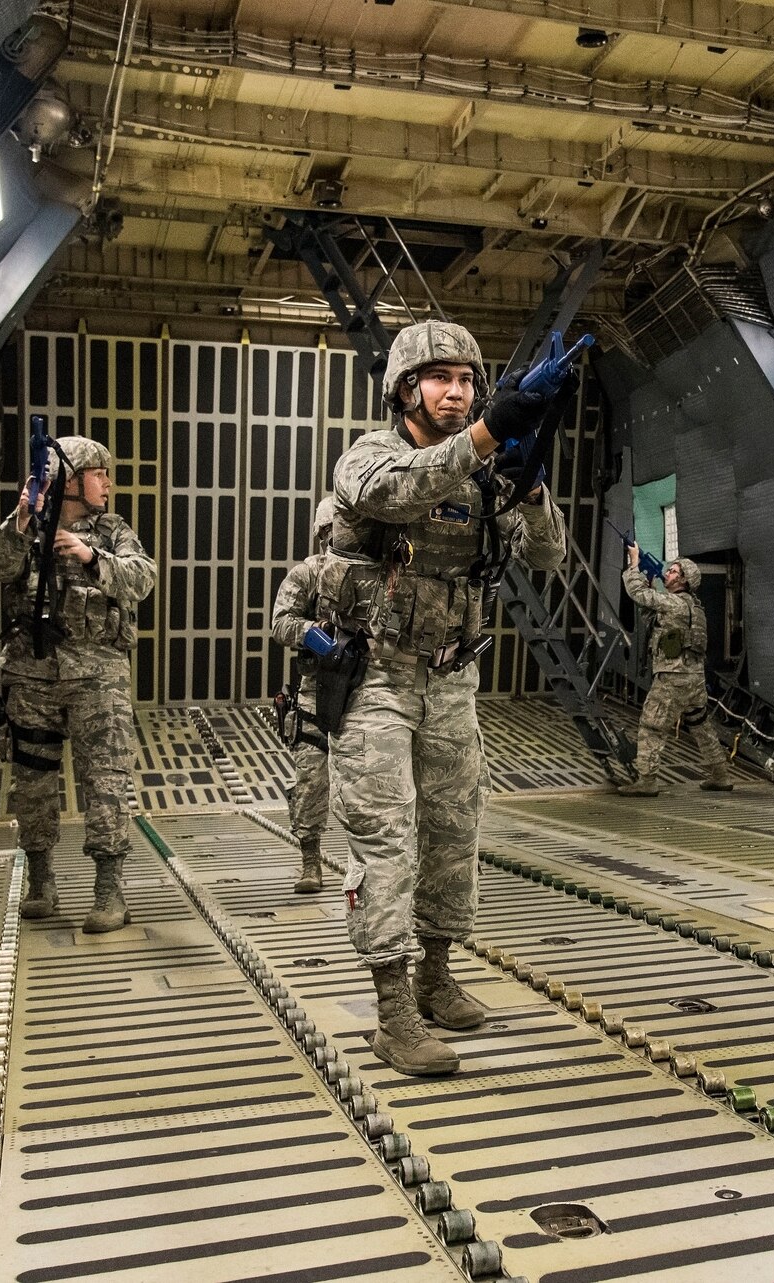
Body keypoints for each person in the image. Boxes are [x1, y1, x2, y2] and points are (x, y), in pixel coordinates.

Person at [320, 319, 568, 1075]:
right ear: (406, 389)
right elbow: (400, 492)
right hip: (378, 680)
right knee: (387, 839)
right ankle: (393, 1012)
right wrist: (490, 434)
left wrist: (527, 491)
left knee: (455, 831)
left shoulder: (487, 467)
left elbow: (549, 557)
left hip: (452, 679)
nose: (457, 392)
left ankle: (434, 973)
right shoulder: (372, 455)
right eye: (441, 378)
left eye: (468, 380)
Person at [0, 435, 156, 933]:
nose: (108, 483)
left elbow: (142, 579)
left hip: (98, 680)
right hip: (31, 678)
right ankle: (41, 881)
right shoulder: (28, 527)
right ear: (72, 480)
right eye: (99, 473)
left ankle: (108, 890)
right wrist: (19, 522)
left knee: (106, 781)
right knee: (32, 784)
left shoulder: (113, 531)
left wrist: (88, 555)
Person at [617, 550, 734, 797]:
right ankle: (720, 775)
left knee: (651, 725)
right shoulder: (695, 609)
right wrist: (649, 586)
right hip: (695, 679)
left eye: (673, 572)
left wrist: (634, 566)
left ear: (683, 581)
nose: (667, 573)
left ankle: (647, 780)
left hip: (673, 678)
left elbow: (637, 594)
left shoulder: (673, 603)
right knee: (701, 726)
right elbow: (653, 619)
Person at [270, 498, 338, 895]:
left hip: (369, 692)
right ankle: (310, 860)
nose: (335, 538)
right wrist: (319, 634)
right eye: (330, 531)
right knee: (311, 778)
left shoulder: (376, 574)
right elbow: (281, 623)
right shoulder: (307, 574)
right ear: (321, 534)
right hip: (318, 693)